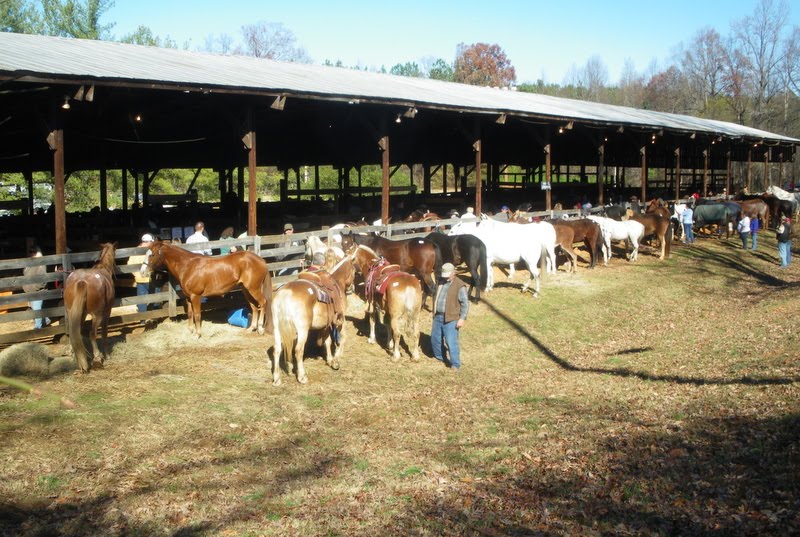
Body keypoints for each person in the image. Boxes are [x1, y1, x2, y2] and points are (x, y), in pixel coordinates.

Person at [430, 262, 469, 370]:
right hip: (438, 316)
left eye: (447, 275)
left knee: (451, 342)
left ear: (453, 273)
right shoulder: (441, 281)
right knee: (435, 339)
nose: (445, 278)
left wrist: (461, 318)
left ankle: (455, 364)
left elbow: (465, 303)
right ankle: (439, 357)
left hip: (451, 318)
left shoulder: (460, 285)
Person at [23, 245, 51, 329]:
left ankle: (38, 327)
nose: (31, 253)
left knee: (36, 309)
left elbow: (43, 280)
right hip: (30, 291)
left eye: (33, 252)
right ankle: (46, 320)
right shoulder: (29, 263)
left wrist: (33, 287)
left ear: (37, 252)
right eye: (30, 251)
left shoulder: (40, 263)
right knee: (36, 308)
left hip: (37, 291)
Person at [127, 233, 155, 314]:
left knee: (142, 298)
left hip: (140, 279)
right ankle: (153, 316)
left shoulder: (135, 250)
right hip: (150, 278)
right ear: (149, 242)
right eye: (151, 242)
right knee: (154, 297)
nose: (152, 244)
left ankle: (142, 318)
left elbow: (129, 265)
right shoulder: (151, 250)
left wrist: (137, 275)